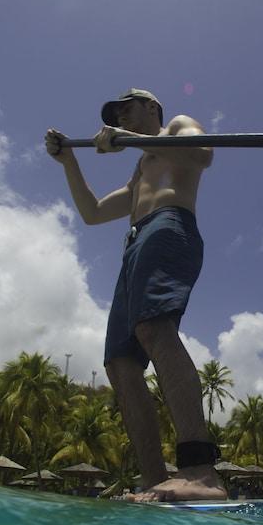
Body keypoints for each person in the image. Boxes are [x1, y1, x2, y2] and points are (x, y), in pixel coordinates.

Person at [44, 88, 226, 502]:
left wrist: (134, 141)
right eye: (117, 116)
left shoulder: (178, 126)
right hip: (133, 247)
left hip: (169, 226)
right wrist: (68, 161)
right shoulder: (141, 169)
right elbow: (92, 213)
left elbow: (201, 154)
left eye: (129, 109)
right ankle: (153, 479)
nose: (123, 117)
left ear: (152, 107)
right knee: (120, 363)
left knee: (154, 328)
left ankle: (200, 472)